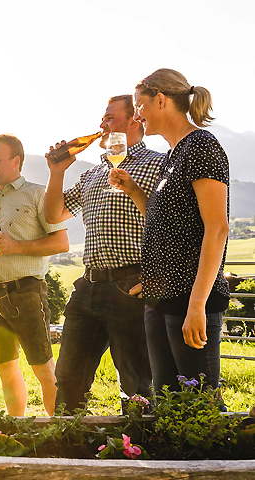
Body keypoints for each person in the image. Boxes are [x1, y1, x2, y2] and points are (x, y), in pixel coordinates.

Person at [110, 68, 230, 394]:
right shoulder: (173, 155)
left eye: (139, 105)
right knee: (169, 407)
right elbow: (164, 224)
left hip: (188, 303)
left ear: (160, 100)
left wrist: (197, 305)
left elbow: (217, 228)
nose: (137, 115)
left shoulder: (201, 147)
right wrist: (134, 191)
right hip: (161, 302)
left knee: (200, 409)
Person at [44, 96, 164, 414]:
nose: (102, 125)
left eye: (109, 118)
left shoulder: (158, 164)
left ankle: (141, 457)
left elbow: (174, 224)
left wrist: (157, 275)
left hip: (131, 285)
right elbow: (54, 213)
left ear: (134, 121)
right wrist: (57, 172)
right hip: (88, 287)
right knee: (68, 380)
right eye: (102, 118)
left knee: (137, 386)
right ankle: (65, 457)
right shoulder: (94, 173)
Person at [0, 135, 69, 416]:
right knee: (6, 369)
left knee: (43, 368)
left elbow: (61, 243)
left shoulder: (38, 193)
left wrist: (16, 246)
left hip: (26, 292)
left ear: (16, 161)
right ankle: (14, 430)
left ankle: (58, 432)